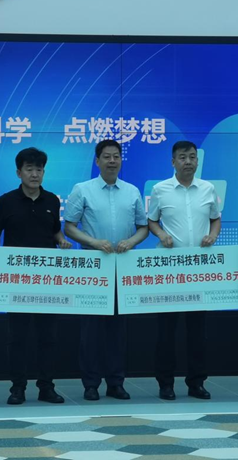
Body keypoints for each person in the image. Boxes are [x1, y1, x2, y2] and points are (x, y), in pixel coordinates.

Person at [64, 139, 149, 401]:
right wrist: (92, 242)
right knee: (90, 330)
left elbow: (143, 228)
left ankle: (116, 382)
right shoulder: (82, 189)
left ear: (121, 160)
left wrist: (131, 242)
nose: (112, 161)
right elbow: (69, 227)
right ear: (97, 161)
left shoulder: (132, 191)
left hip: (123, 266)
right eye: (107, 156)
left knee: (117, 330)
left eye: (116, 156)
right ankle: (90, 384)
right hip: (93, 267)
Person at [0, 147, 72, 405]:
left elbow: (55, 231)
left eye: (39, 169)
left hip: (47, 279)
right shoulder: (6, 201)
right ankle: (18, 388)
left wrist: (62, 241)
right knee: (18, 337)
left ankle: (46, 387)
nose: (35, 174)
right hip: (17, 279)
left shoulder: (52, 201)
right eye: (29, 169)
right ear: (19, 172)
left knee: (48, 336)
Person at [147, 141, 221, 401]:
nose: (188, 161)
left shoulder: (208, 189)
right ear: (173, 162)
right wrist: (161, 234)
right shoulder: (160, 189)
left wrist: (213, 235)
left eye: (192, 157)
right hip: (170, 269)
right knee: (166, 331)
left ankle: (196, 383)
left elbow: (215, 218)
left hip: (199, 269)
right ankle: (165, 383)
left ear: (197, 161)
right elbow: (152, 221)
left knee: (197, 331)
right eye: (182, 157)